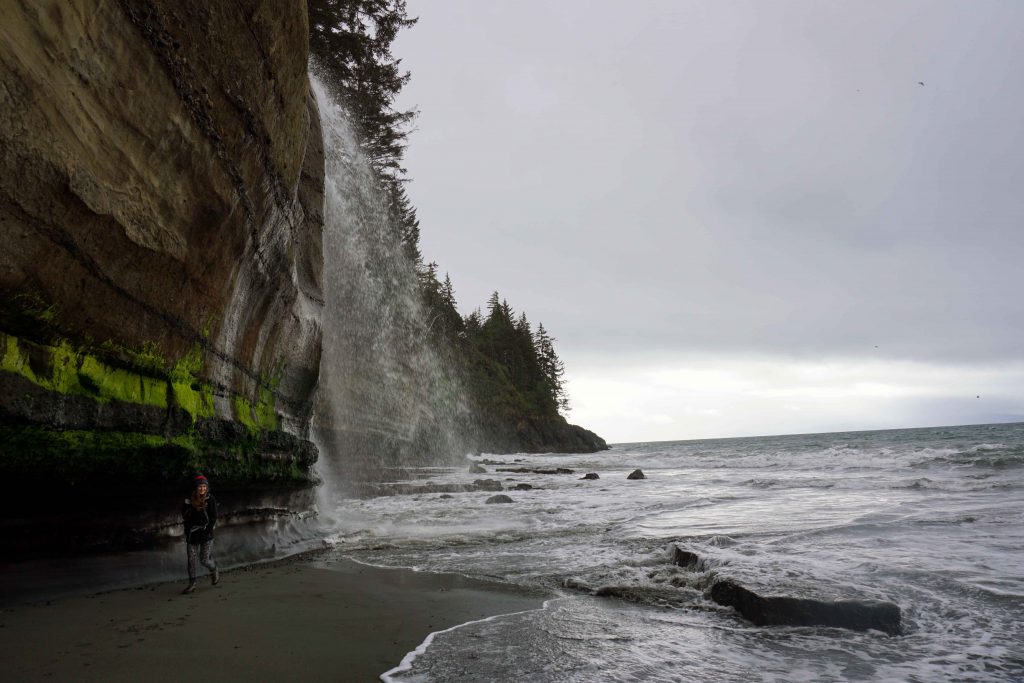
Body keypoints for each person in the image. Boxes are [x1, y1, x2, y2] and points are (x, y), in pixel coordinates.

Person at [182, 474, 219, 594]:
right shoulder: (188, 500)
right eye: (200, 486)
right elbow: (185, 517)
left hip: (206, 534)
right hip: (192, 533)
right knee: (191, 559)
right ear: (195, 488)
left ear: (207, 487)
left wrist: (207, 531)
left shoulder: (211, 499)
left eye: (204, 486)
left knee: (204, 560)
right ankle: (192, 584)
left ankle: (214, 570)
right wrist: (187, 530)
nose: (202, 489)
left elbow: (214, 517)